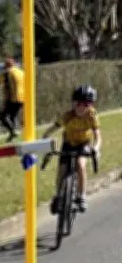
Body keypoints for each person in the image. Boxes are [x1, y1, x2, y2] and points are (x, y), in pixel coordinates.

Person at [42, 85, 101, 215]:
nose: (82, 107)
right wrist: (44, 137)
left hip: (83, 144)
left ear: (90, 105)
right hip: (68, 143)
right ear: (73, 103)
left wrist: (96, 148)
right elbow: (53, 128)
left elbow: (98, 135)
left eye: (86, 104)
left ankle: (81, 196)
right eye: (78, 103)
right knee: (62, 169)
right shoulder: (68, 116)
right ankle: (58, 195)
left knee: (81, 165)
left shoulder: (92, 115)